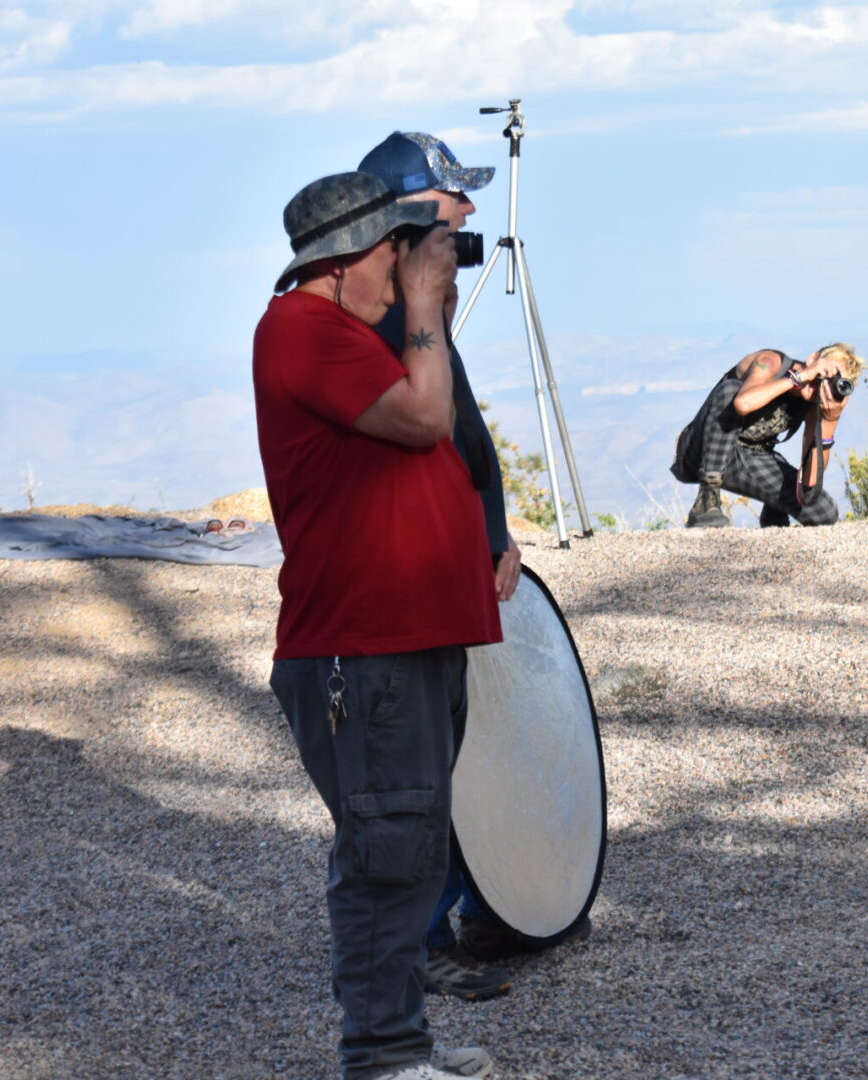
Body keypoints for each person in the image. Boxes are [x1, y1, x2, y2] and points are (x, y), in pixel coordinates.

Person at [255, 170, 501, 1080]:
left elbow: (456, 437)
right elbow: (427, 416)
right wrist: (429, 307)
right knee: (387, 854)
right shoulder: (302, 330)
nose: (404, 277)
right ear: (354, 255)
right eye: (397, 257)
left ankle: (402, 1042)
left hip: (410, 640)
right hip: (365, 649)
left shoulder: (347, 333)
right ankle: (385, 1059)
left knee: (411, 845)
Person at [355, 131, 591, 1003]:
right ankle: (417, 943)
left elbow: (465, 440)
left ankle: (476, 909)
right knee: (412, 773)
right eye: (455, 200)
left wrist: (493, 530)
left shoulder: (418, 305)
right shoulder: (376, 317)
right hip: (401, 584)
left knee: (451, 755)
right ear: (412, 209)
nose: (472, 215)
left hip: (447, 570)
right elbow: (418, 434)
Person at [672, 344, 863, 527]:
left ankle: (774, 510)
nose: (823, 383)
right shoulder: (771, 363)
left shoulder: (813, 402)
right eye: (826, 372)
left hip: (748, 459)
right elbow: (743, 404)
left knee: (823, 512)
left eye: (835, 381)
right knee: (730, 391)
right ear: (813, 359)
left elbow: (810, 480)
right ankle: (706, 499)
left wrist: (830, 420)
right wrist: (799, 378)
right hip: (700, 451)